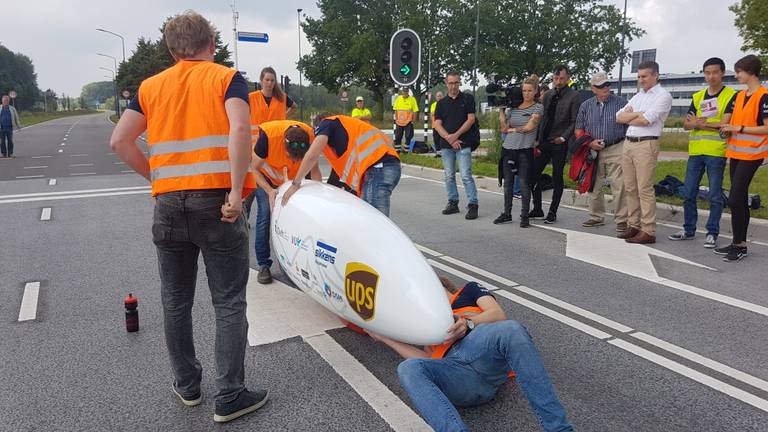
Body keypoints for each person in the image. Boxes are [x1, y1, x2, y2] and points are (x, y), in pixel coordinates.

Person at [109, 11, 267, 423]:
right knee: (229, 301)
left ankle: (187, 385)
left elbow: (120, 140)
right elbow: (238, 128)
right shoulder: (225, 78)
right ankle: (230, 395)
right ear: (211, 43)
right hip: (217, 203)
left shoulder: (150, 87)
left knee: (175, 301)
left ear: (171, 49)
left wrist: (158, 180)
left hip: (169, 206)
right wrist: (235, 190)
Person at [368, 277, 573, 432]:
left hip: (482, 353)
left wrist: (468, 323)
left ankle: (558, 428)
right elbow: (423, 362)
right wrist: (387, 339)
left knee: (511, 329)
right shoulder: (424, 319)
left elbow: (498, 314)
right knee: (408, 368)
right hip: (457, 375)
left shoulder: (469, 291)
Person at [668, 58, 737, 248]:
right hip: (696, 151)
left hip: (716, 152)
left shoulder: (731, 95)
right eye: (707, 72)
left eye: (715, 72)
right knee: (689, 192)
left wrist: (700, 123)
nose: (711, 76)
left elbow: (725, 124)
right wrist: (700, 123)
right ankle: (689, 229)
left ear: (722, 73)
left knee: (715, 194)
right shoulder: (698, 96)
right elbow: (686, 124)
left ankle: (712, 232)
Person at [281, 114, 401, 216]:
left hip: (379, 168)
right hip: (385, 167)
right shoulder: (348, 130)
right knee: (367, 216)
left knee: (376, 223)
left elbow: (312, 155)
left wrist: (295, 184)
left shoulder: (327, 123)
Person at [250, 120, 321, 284]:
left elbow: (315, 171)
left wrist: (317, 196)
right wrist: (269, 191)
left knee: (302, 216)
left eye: (298, 159)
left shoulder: (311, 137)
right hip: (267, 179)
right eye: (291, 157)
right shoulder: (268, 138)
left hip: (294, 181)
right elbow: (253, 168)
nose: (294, 161)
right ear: (284, 145)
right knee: (265, 216)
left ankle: (300, 262)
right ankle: (263, 265)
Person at [716, 54, 768, 261]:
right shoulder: (738, 96)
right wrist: (725, 130)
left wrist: (740, 127)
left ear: (750, 72)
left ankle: (739, 245)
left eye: (738, 72)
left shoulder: (764, 96)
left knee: (736, 198)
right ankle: (739, 243)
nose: (736, 76)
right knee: (738, 199)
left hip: (753, 154)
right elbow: (728, 121)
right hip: (736, 153)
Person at [616, 60, 673, 244]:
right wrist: (637, 114)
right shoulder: (638, 96)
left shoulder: (663, 96)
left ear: (655, 75)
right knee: (630, 187)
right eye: (639, 76)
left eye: (644, 76)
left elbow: (647, 120)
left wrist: (632, 116)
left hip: (646, 144)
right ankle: (634, 225)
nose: (641, 80)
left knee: (644, 188)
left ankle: (648, 229)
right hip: (629, 143)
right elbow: (618, 117)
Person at [575, 72, 629, 235]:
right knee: (593, 184)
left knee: (619, 185)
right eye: (600, 86)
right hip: (592, 149)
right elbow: (578, 129)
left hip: (616, 146)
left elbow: (630, 126)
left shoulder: (622, 103)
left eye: (607, 85)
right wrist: (590, 142)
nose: (605, 88)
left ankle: (622, 220)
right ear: (593, 89)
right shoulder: (585, 106)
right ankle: (596, 216)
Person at [530, 65, 582, 224]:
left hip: (560, 143)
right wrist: (536, 139)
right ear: (552, 78)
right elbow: (541, 118)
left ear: (567, 78)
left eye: (561, 79)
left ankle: (552, 212)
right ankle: (537, 208)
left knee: (557, 177)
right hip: (544, 141)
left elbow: (575, 121)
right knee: (532, 175)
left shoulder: (574, 96)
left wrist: (564, 138)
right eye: (556, 78)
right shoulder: (548, 95)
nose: (558, 81)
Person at [495, 75, 542, 228]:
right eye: (524, 90)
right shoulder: (514, 107)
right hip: (508, 148)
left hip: (525, 150)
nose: (526, 93)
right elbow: (503, 125)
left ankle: (524, 215)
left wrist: (512, 129)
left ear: (535, 91)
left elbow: (530, 127)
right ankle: (507, 213)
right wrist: (501, 109)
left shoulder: (537, 107)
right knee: (508, 183)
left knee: (523, 183)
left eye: (529, 91)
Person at [434, 71, 480, 220]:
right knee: (449, 176)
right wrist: (449, 138)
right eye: (451, 83)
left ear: (460, 83)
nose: (453, 86)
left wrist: (456, 135)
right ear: (446, 83)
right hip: (447, 145)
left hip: (464, 143)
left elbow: (471, 119)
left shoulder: (467, 99)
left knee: (466, 175)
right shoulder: (441, 104)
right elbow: (437, 123)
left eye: (456, 82)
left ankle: (473, 204)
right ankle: (453, 202)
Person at [392, 87, 419, 152]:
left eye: (406, 91)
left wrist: (413, 121)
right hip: (399, 121)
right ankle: (397, 150)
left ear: (408, 92)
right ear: (402, 92)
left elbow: (415, 110)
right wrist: (396, 119)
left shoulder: (412, 99)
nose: (405, 93)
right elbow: (395, 109)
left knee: (409, 135)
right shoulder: (398, 99)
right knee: (398, 136)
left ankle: (406, 150)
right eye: (404, 91)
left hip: (408, 121)